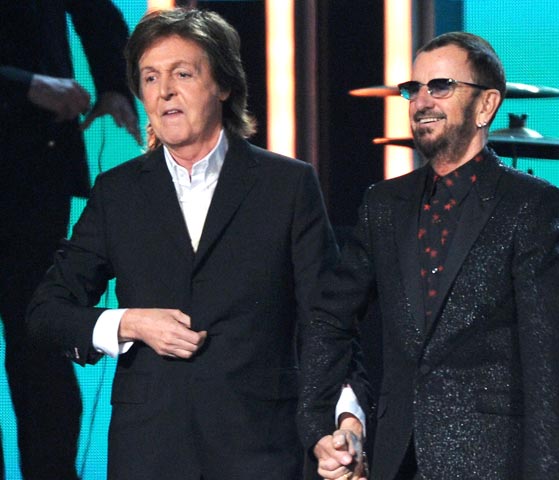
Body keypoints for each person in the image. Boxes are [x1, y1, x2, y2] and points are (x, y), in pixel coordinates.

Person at [27, 8, 365, 480]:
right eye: (150, 77)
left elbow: (327, 323)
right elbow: (46, 312)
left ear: (223, 84)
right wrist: (129, 323)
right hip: (149, 452)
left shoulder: (288, 185)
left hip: (261, 448)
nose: (164, 91)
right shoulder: (117, 192)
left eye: (182, 73)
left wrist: (346, 419)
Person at [298, 31, 559, 480]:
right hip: (396, 459)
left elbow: (549, 364)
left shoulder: (529, 205)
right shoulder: (383, 204)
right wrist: (319, 425)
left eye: (440, 86)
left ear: (486, 105)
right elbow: (329, 317)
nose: (421, 101)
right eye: (414, 88)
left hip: (491, 462)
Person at [0, 2, 139, 479]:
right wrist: (25, 84)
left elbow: (94, 11)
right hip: (31, 125)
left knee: (39, 342)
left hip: (35, 165)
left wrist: (114, 84)